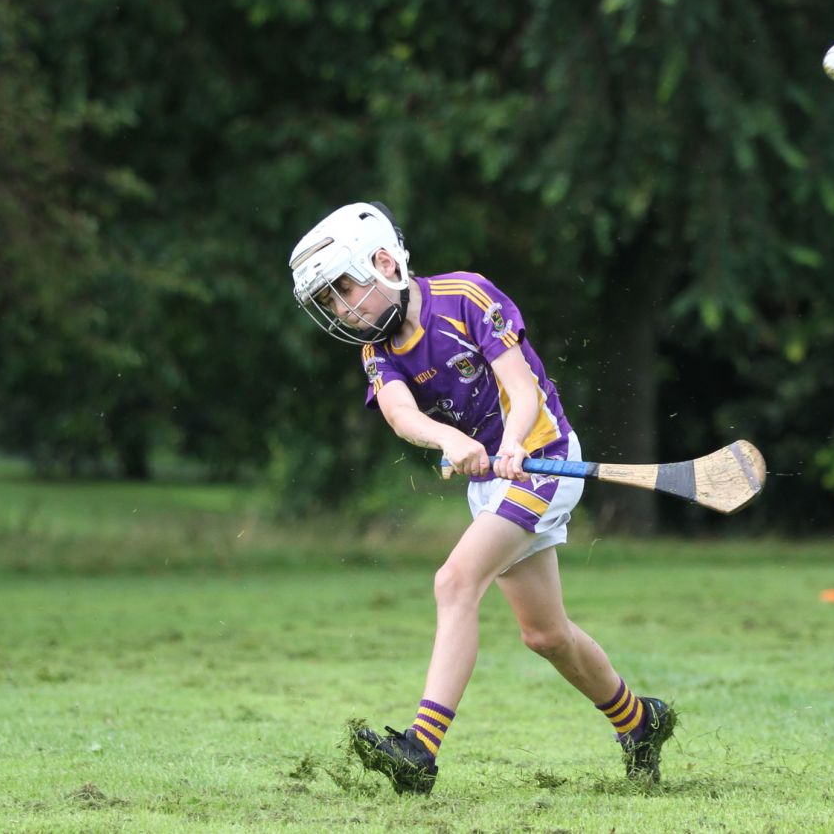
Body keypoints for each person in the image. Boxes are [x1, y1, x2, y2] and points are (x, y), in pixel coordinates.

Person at [287, 202, 676, 795]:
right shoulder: (378, 350)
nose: (342, 309)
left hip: (544, 457)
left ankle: (419, 750)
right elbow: (399, 413)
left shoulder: (466, 298)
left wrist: (514, 443)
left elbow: (523, 392)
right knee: (544, 636)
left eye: (346, 290)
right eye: (331, 301)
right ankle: (639, 721)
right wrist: (450, 439)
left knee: (454, 581)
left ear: (385, 263)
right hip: (491, 480)